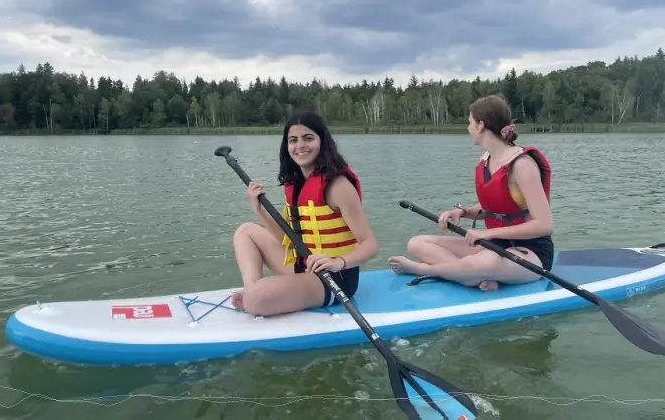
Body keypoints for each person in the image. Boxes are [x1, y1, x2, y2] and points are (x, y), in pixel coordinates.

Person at [388, 94, 554, 291]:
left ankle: (425, 270)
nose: (468, 128)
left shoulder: (522, 165)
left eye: (470, 122)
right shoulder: (487, 160)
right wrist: (462, 212)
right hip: (494, 244)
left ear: (481, 125)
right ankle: (470, 276)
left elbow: (544, 225)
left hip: (529, 252)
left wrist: (487, 232)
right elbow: (497, 206)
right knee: (417, 243)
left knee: (483, 262)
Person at [230, 111, 378, 316]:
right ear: (287, 146)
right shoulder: (295, 183)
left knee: (257, 300)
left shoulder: (338, 187)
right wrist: (259, 211)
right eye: (293, 140)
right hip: (303, 265)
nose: (300, 146)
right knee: (245, 231)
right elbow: (288, 239)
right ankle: (251, 290)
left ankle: (254, 297)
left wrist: (338, 263)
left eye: (308, 138)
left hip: (334, 278)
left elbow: (370, 244)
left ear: (322, 141)